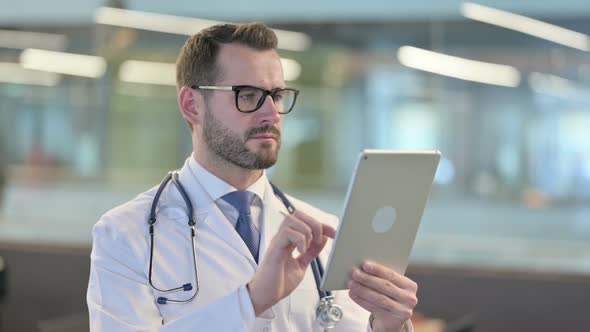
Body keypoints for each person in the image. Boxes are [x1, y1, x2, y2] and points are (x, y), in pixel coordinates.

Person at [87, 22, 418, 332]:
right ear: (192, 105)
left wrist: (387, 326)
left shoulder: (324, 235)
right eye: (248, 95)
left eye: (276, 95)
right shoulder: (125, 235)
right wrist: (251, 301)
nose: (272, 113)